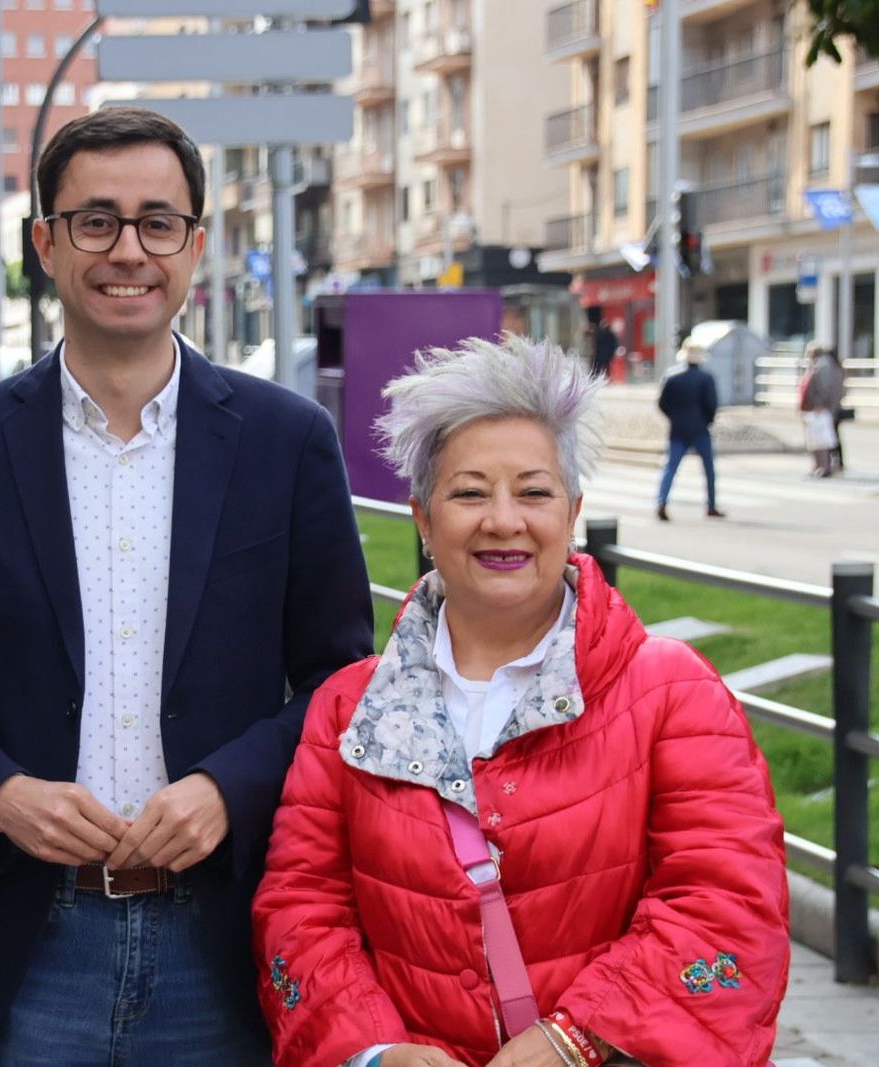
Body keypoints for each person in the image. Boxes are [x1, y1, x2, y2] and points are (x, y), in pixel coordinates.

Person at [0, 106, 373, 1066]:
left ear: (196, 244)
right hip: (29, 942)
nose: (128, 250)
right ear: (46, 243)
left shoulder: (286, 441)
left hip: (227, 936)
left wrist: (229, 789)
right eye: (94, 220)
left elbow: (341, 682)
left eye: (158, 222)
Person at [252, 335, 790, 1067]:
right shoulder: (349, 710)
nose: (503, 520)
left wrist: (576, 1041)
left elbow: (731, 904)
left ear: (571, 510)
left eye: (533, 491)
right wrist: (378, 1051)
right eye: (470, 492)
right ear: (422, 517)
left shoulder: (672, 694)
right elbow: (301, 906)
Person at [655, 341, 725, 521]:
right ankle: (711, 505)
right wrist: (706, 420)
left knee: (671, 467)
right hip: (700, 428)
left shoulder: (672, 377)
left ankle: (661, 502)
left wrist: (674, 416)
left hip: (678, 428)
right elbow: (712, 405)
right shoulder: (706, 378)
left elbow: (662, 403)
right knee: (708, 468)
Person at [799, 342, 845, 477]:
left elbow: (824, 388)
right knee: (827, 436)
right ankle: (829, 465)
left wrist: (820, 404)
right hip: (829, 407)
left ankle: (825, 466)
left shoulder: (823, 365)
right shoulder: (830, 365)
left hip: (822, 408)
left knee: (822, 438)